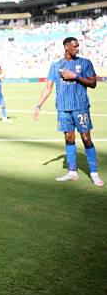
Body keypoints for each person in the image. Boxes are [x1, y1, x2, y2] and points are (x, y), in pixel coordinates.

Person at [33, 37, 103, 186]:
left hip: (80, 106)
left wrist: (75, 76)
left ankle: (94, 173)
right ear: (66, 47)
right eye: (75, 46)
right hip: (63, 108)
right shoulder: (56, 66)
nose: (77, 48)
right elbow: (48, 88)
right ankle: (72, 172)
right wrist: (38, 106)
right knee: (69, 138)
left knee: (86, 139)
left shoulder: (85, 63)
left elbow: (93, 83)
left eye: (78, 46)